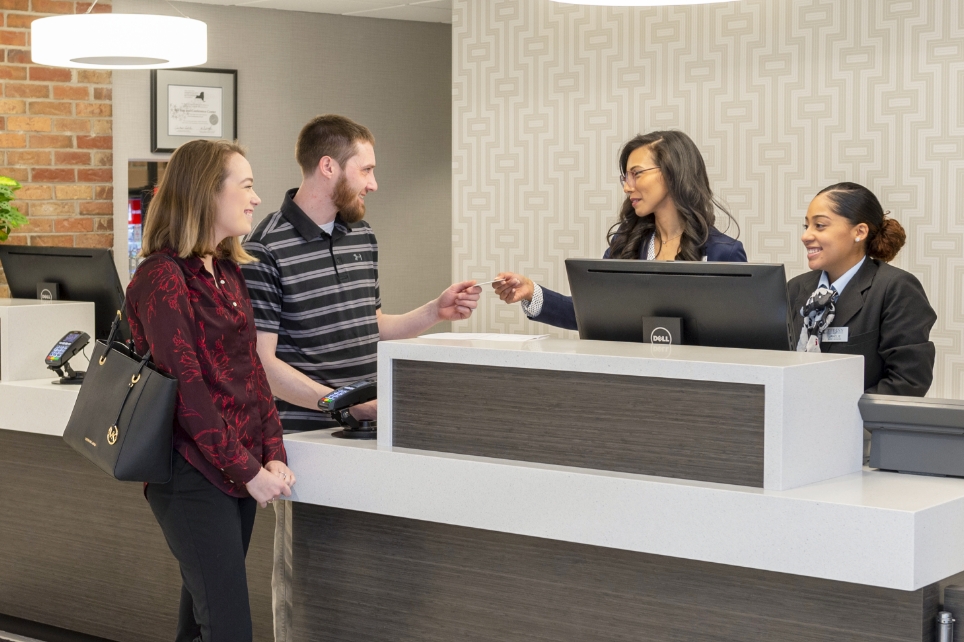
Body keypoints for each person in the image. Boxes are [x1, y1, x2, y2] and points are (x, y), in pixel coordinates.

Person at [239, 114, 481, 642]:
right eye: (365, 169)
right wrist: (341, 403)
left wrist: (432, 312)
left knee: (377, 571)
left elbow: (369, 325)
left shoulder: (362, 236)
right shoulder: (263, 249)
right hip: (305, 438)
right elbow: (263, 364)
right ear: (329, 167)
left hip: (367, 426)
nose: (373, 183)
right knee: (306, 576)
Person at [126, 139, 295, 642]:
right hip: (191, 475)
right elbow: (188, 391)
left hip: (236, 472)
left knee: (203, 627)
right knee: (228, 627)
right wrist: (247, 469)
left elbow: (251, 372)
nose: (256, 198)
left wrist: (273, 452)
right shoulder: (161, 277)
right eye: (245, 186)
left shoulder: (224, 271)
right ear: (206, 193)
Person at [493, 130, 746, 329]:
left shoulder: (723, 253)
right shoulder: (625, 244)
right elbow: (590, 314)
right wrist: (531, 292)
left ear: (673, 173)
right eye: (625, 177)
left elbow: (741, 339)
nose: (627, 187)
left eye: (636, 174)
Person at [788, 182, 936, 396]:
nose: (806, 236)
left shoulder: (895, 288)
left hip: (861, 426)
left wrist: (836, 413)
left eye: (819, 225)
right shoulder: (795, 288)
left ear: (859, 232)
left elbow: (908, 382)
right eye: (806, 226)